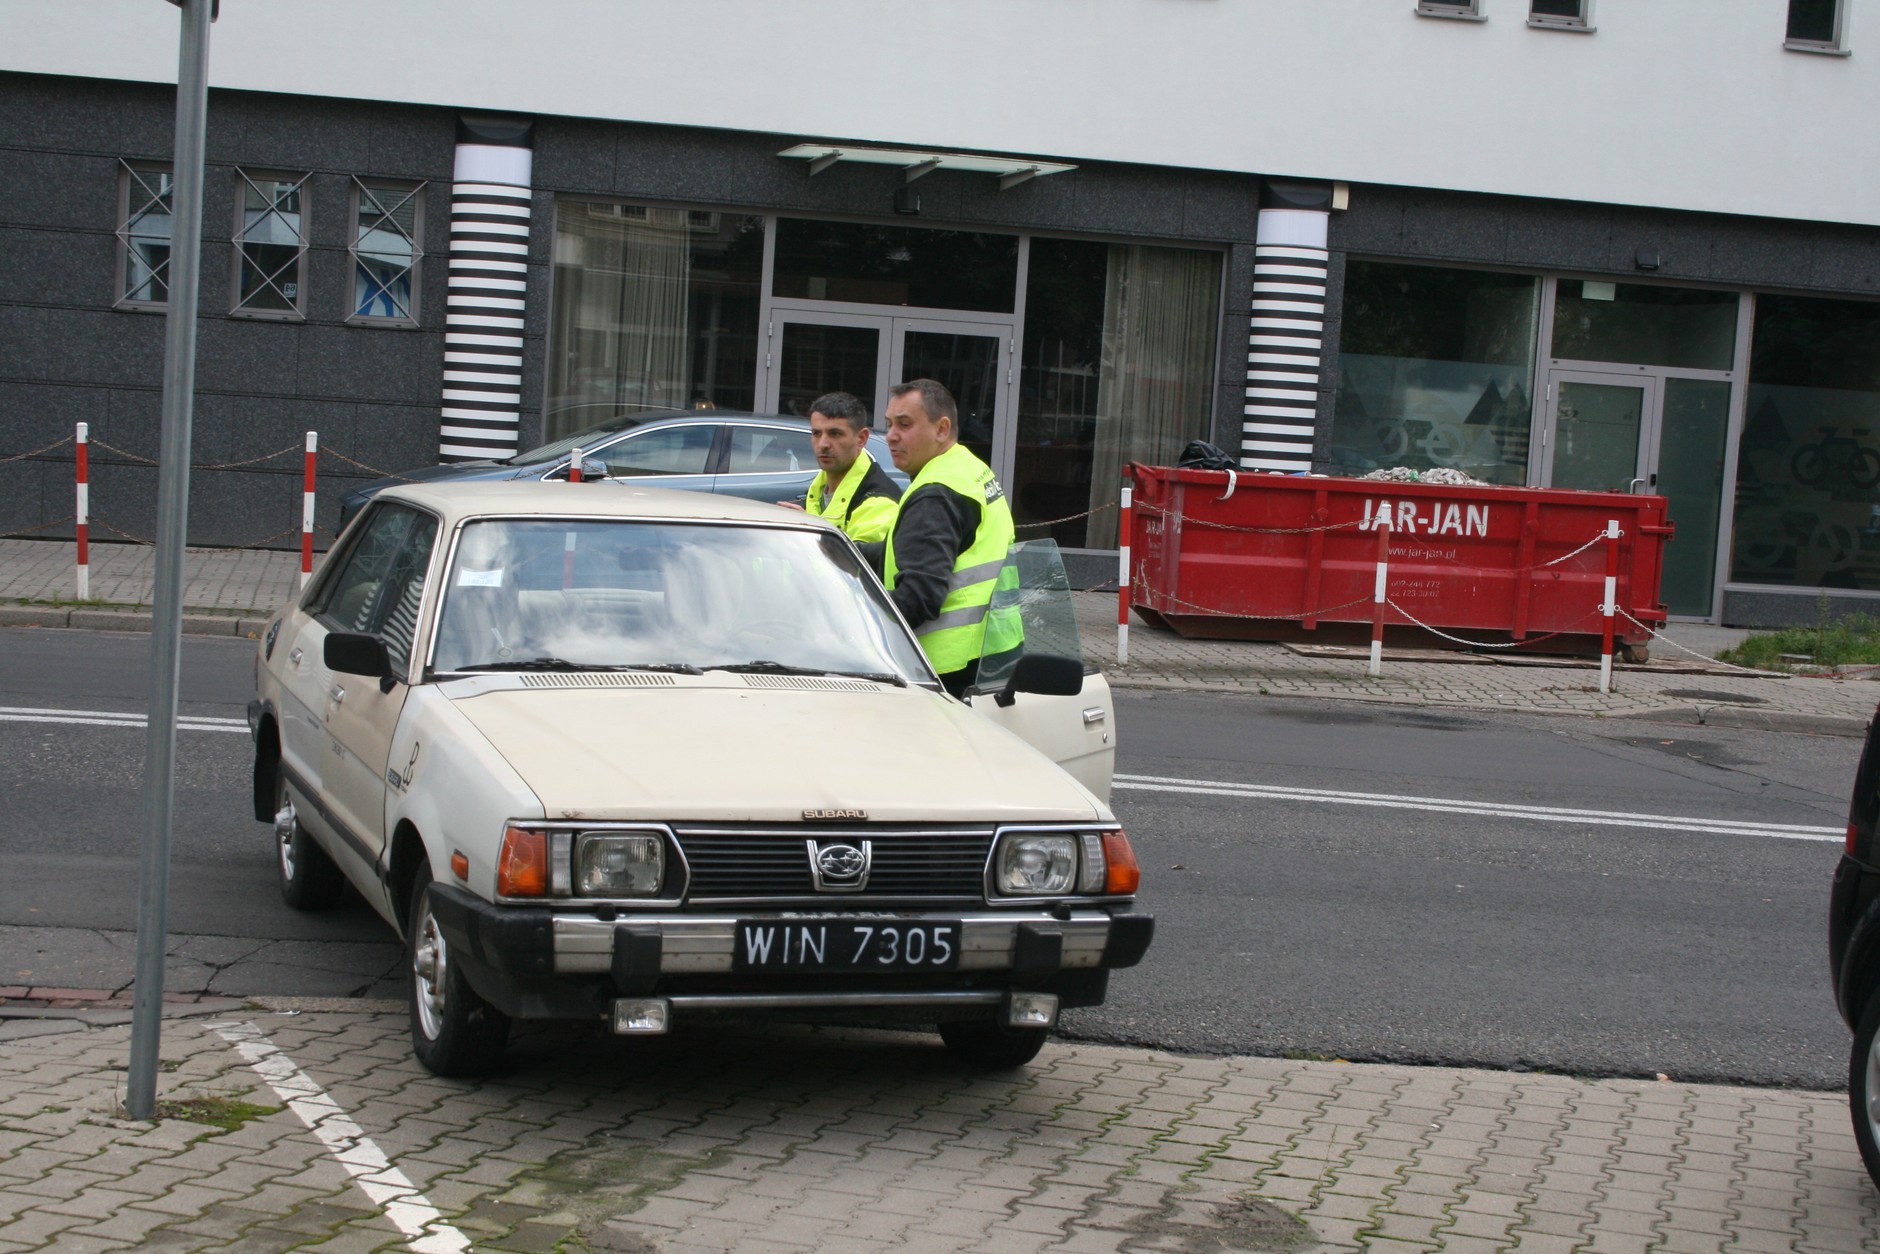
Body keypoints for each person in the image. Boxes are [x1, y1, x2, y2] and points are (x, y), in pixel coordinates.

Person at [866, 379, 1022, 697]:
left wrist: (847, 615)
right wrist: (847, 552)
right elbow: (925, 551)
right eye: (889, 424)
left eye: (904, 424)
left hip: (945, 672)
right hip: (993, 653)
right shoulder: (968, 469)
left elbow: (918, 597)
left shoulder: (935, 493)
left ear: (941, 428)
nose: (891, 435)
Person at [779, 391, 901, 542]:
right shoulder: (817, 489)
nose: (823, 444)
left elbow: (850, 563)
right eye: (816, 433)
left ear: (861, 438)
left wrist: (809, 531)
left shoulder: (880, 501)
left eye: (835, 434)